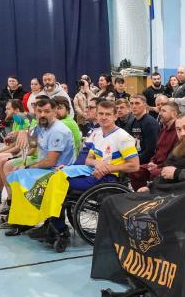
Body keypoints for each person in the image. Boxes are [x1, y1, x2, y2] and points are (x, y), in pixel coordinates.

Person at [31, 100, 140, 248]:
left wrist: (108, 168)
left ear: (115, 116)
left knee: (59, 184)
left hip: (108, 178)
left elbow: (134, 166)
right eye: (101, 113)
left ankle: (60, 229)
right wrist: (96, 163)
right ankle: (53, 224)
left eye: (108, 114)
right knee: (52, 178)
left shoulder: (123, 137)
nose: (103, 117)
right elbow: (88, 159)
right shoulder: (97, 134)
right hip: (93, 172)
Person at [0, 97, 76, 216]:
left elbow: (50, 161)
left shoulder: (58, 131)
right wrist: (22, 133)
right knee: (14, 170)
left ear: (54, 111)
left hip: (58, 170)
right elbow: (32, 144)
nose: (42, 114)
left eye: (47, 111)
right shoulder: (41, 125)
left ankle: (22, 214)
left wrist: (28, 167)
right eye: (39, 111)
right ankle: (14, 207)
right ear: (35, 112)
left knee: (18, 174)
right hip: (46, 166)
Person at [145, 113, 185, 191]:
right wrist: (151, 186)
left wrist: (177, 173)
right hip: (163, 189)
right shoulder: (182, 142)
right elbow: (168, 167)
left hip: (182, 193)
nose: (182, 133)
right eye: (178, 129)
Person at [128, 101, 179, 191]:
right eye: (160, 111)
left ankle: (151, 195)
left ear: (174, 113)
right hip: (156, 164)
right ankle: (140, 195)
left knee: (154, 173)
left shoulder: (178, 132)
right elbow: (157, 150)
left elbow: (174, 156)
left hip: (167, 167)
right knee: (134, 171)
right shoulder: (163, 130)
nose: (160, 114)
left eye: (164, 111)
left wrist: (158, 167)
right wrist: (152, 162)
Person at [123, 95, 160, 165]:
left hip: (145, 163)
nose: (134, 106)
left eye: (137, 103)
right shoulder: (131, 121)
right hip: (133, 157)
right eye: (131, 103)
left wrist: (133, 161)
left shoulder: (150, 123)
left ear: (145, 105)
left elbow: (151, 150)